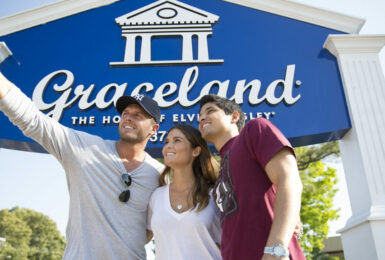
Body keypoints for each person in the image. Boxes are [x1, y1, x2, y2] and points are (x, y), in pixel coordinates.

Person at [0, 72, 164, 259]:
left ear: (154, 129)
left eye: (138, 115)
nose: (128, 118)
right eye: (125, 113)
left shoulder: (159, 175)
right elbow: (33, 120)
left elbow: (152, 229)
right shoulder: (84, 148)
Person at [198, 94, 306, 260]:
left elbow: (289, 180)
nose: (201, 118)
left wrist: (276, 248)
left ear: (234, 116)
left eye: (210, 111)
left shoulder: (254, 130)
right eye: (199, 116)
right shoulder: (220, 173)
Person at [146, 124, 222, 260]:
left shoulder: (215, 195)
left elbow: (229, 245)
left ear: (196, 151)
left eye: (177, 140)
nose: (168, 146)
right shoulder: (156, 196)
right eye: (166, 142)